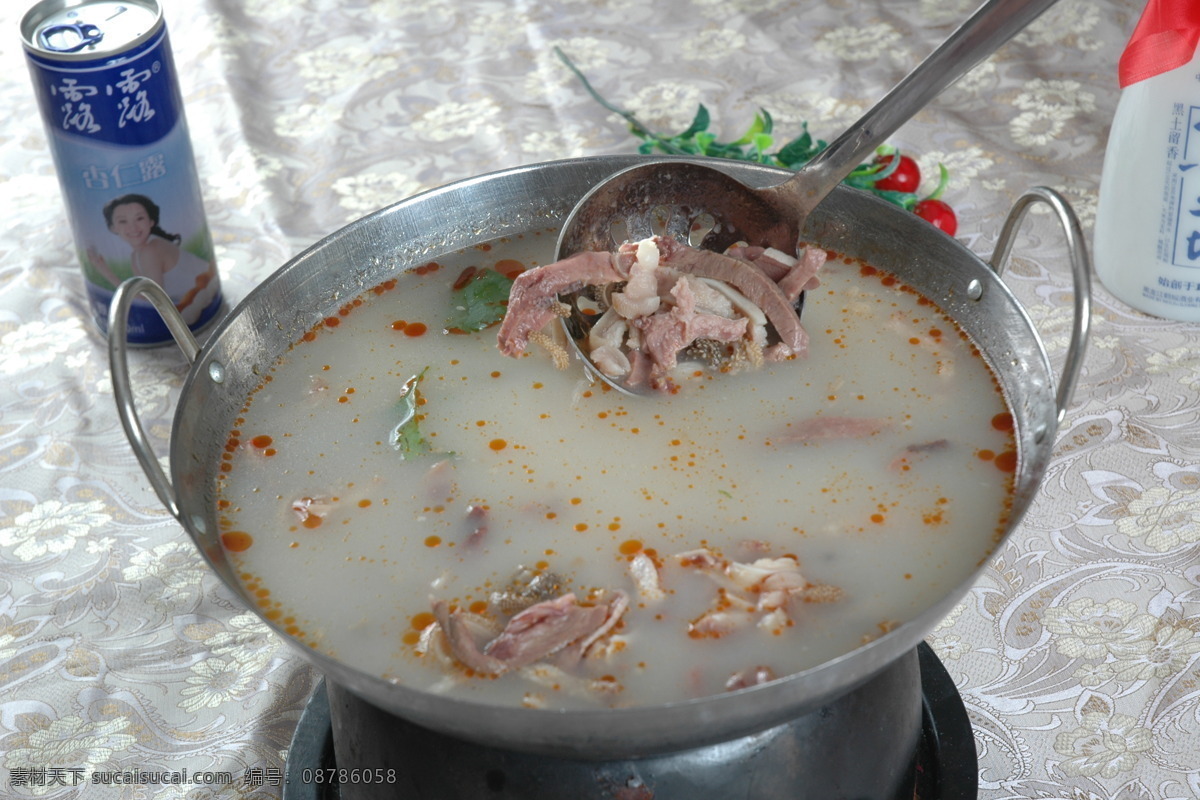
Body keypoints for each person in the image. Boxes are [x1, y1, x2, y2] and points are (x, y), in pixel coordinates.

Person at [87, 193, 218, 325]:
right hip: (195, 299)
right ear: (113, 228)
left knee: (185, 318)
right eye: (123, 221)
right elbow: (145, 295)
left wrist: (106, 272)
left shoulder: (151, 250)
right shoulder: (136, 255)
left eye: (139, 218)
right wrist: (104, 270)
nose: (133, 227)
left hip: (205, 289)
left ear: (151, 221)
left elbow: (153, 299)